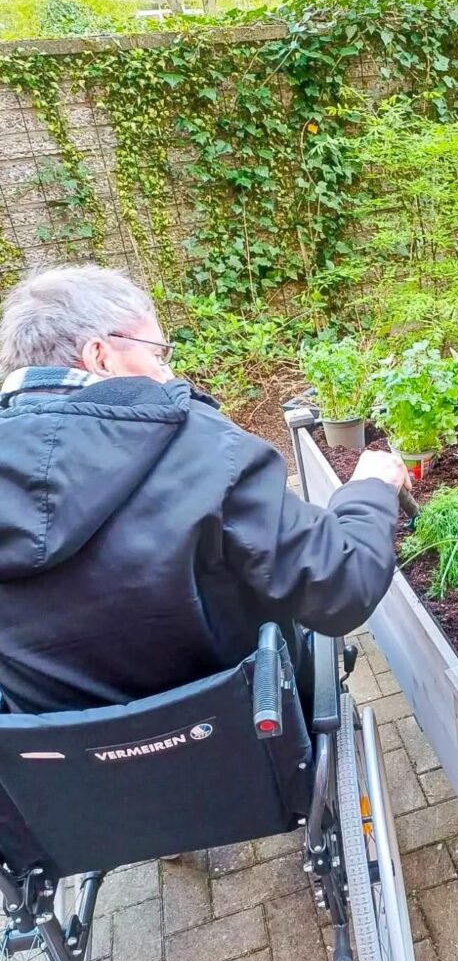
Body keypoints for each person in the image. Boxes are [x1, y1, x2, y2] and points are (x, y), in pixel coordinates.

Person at [0, 264, 410, 714]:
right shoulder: (204, 450)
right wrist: (369, 491)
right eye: (159, 356)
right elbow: (340, 588)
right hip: (248, 739)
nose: (169, 373)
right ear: (101, 357)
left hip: (60, 759)